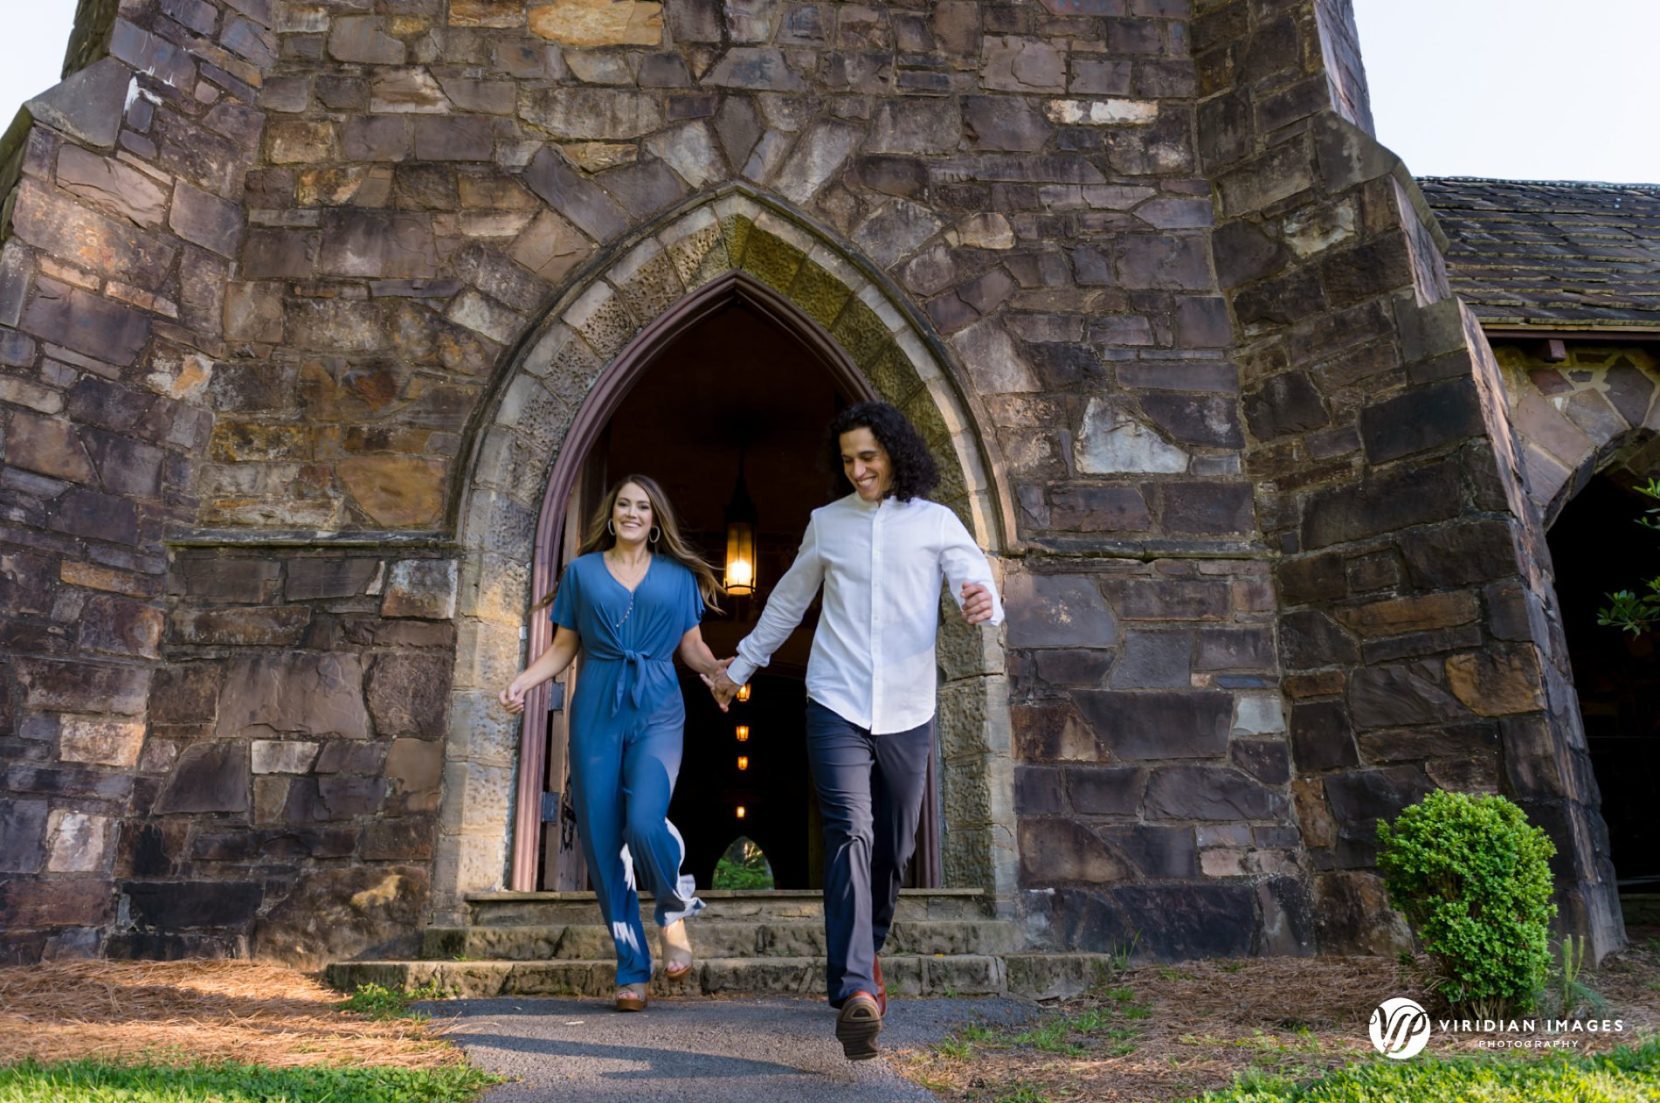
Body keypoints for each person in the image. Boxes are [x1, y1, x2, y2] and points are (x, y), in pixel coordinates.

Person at [706, 402, 1004, 1060]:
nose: (859, 469)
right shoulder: (827, 524)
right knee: (849, 828)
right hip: (835, 699)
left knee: (894, 846)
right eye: (848, 460)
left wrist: (984, 598)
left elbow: (973, 577)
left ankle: (867, 960)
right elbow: (787, 598)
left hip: (907, 706)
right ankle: (855, 988)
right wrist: (742, 667)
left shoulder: (936, 522)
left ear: (894, 452)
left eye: (868, 456)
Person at [502, 475, 728, 1013]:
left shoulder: (678, 578)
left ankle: (673, 911)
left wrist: (717, 673)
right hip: (597, 708)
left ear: (655, 521)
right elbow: (563, 649)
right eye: (624, 504)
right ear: (611, 515)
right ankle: (632, 968)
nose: (632, 513)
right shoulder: (580, 574)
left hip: (657, 706)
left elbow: (691, 648)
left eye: (643, 506)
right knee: (603, 848)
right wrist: (525, 681)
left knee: (646, 819)